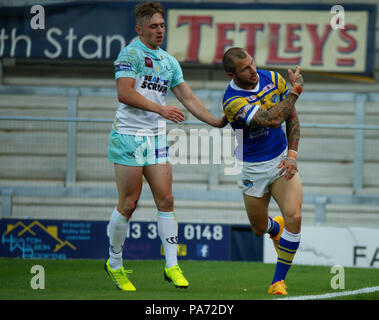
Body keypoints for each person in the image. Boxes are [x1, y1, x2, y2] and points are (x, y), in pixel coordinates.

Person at [104, 2, 227, 291]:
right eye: (154, 26)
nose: (160, 30)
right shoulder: (130, 54)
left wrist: (215, 121)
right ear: (139, 29)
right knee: (129, 204)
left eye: (162, 26)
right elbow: (124, 93)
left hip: (156, 139)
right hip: (129, 137)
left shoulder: (169, 62)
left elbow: (188, 98)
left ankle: (172, 265)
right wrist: (161, 111)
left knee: (167, 200)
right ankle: (115, 263)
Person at [222, 47, 304, 295]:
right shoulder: (231, 102)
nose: (253, 70)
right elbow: (272, 119)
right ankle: (274, 229)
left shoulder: (273, 79)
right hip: (252, 168)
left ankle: (277, 281)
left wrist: (292, 154)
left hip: (280, 161)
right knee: (258, 228)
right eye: (245, 68)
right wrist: (295, 92)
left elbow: (290, 116)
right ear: (232, 75)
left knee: (295, 217)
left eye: (252, 63)